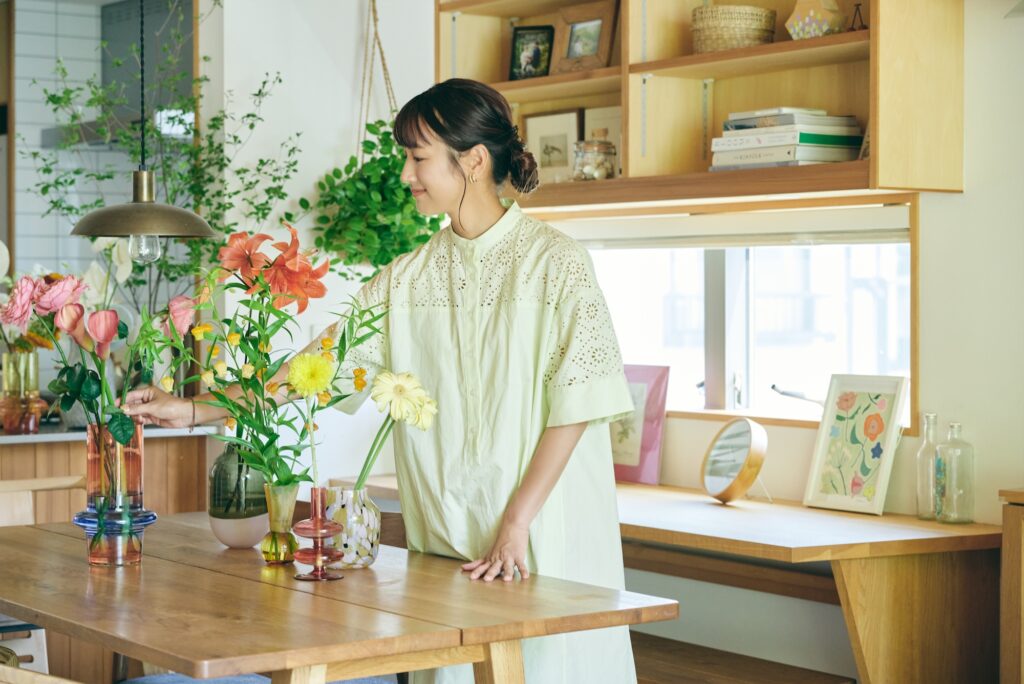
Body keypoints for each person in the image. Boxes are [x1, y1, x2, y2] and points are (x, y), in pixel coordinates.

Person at [122, 78, 637, 684]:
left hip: (545, 526)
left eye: (417, 157)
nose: (405, 174)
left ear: (473, 160)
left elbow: (578, 404)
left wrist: (517, 523)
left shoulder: (557, 263)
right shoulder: (405, 280)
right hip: (449, 536)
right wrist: (192, 409)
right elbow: (310, 372)